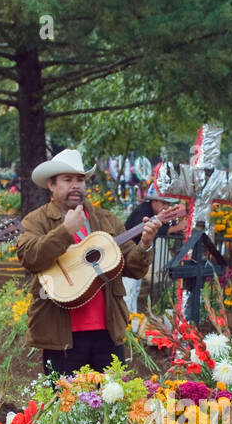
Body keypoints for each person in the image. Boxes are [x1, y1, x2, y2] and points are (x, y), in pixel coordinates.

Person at [17, 149, 160, 375]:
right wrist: (65, 231)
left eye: (80, 180)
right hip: (61, 335)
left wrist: (144, 245)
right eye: (68, 179)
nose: (76, 185)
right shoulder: (37, 220)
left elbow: (132, 268)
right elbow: (29, 257)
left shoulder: (106, 220)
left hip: (108, 331)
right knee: (65, 406)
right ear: (51, 186)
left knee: (111, 404)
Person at [122, 180, 184, 312]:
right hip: (126, 257)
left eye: (168, 203)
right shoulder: (143, 212)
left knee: (135, 291)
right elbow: (148, 229)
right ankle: (129, 324)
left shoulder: (153, 212)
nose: (166, 206)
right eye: (163, 203)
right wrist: (174, 229)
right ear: (154, 201)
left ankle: (133, 321)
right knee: (129, 292)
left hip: (136, 258)